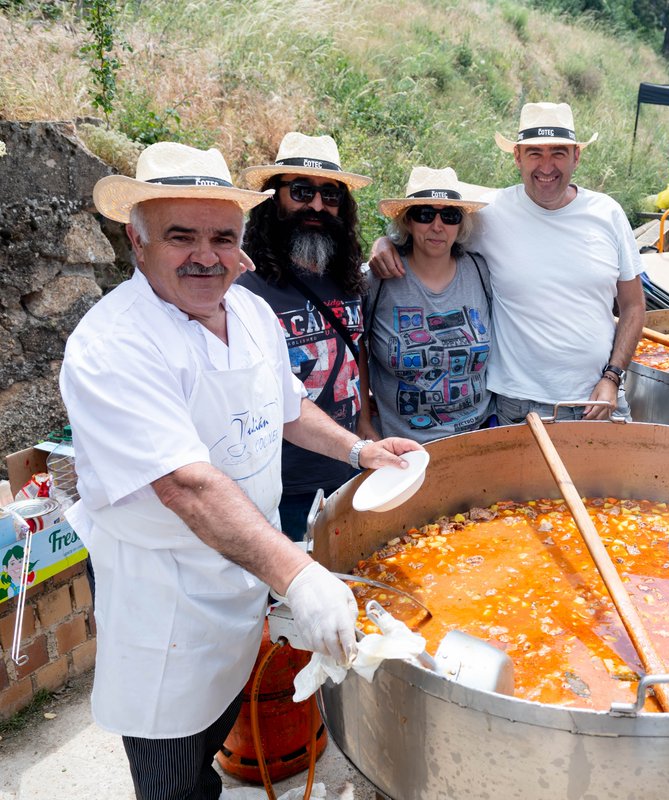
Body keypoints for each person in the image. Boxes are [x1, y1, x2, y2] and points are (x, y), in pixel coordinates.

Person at [59, 142, 424, 799]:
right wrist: (298, 574)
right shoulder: (114, 346)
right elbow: (185, 485)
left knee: (227, 713)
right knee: (175, 775)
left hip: (241, 575)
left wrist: (358, 451)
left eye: (222, 238)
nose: (206, 256)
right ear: (137, 239)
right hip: (167, 600)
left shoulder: (250, 311)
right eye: (181, 236)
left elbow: (288, 407)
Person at [370, 102, 647, 424]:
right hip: (521, 406)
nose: (546, 166)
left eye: (558, 153)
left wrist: (612, 376)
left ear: (576, 156)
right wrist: (385, 242)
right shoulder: (491, 212)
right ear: (517, 156)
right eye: (534, 153)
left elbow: (633, 306)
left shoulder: (608, 213)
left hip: (601, 399)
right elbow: (429, 221)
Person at [237, 132, 372, 540]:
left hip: (348, 468)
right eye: (301, 191)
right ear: (273, 198)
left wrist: (366, 429)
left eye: (330, 195)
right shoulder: (244, 287)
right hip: (284, 485)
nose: (316, 205)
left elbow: (357, 354)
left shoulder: (349, 276)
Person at [359, 167, 493, 441]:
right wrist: (363, 421)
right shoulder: (377, 278)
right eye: (425, 214)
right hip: (402, 445)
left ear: (461, 223)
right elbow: (355, 345)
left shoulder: (480, 271)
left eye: (450, 216)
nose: (437, 226)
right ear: (407, 221)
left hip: (477, 436)